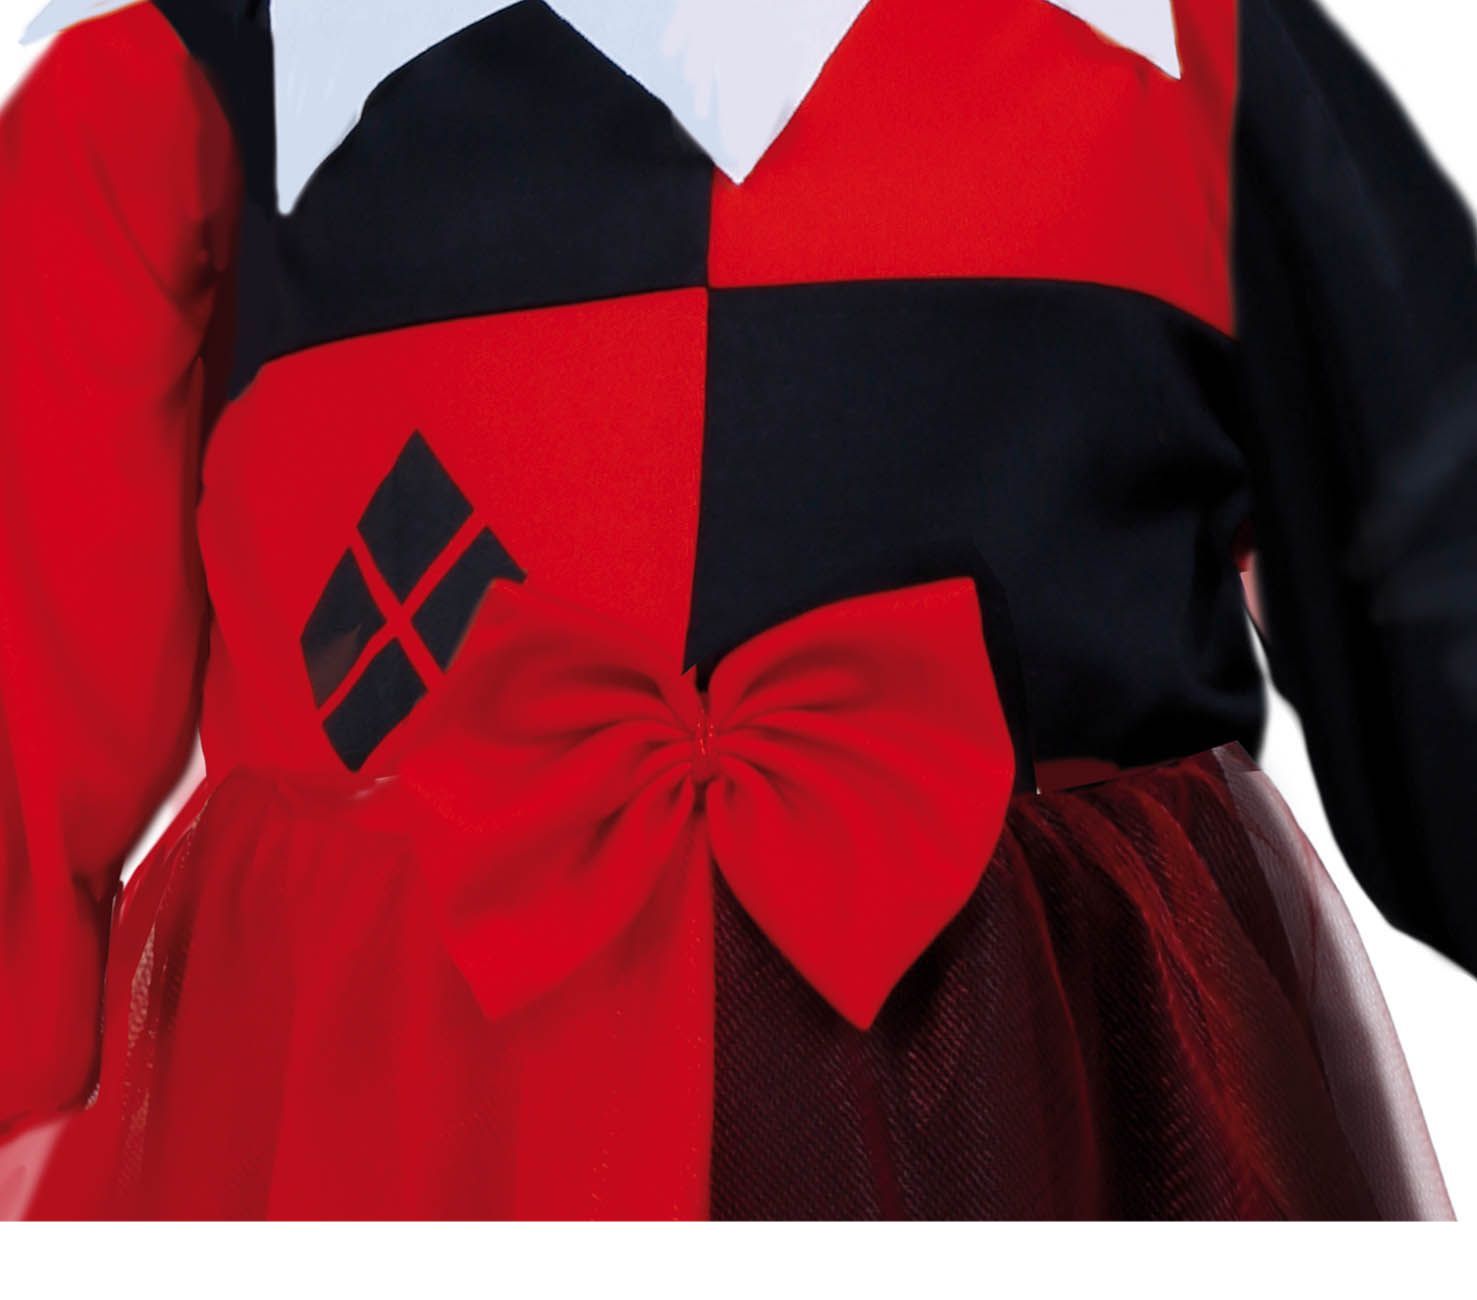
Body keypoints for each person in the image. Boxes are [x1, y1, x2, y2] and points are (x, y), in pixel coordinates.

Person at [1, 0, 1471, 1219]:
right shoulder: (186, 84)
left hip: (1032, 1084)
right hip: (394, 1117)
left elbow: (1432, 568)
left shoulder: (1189, 55)